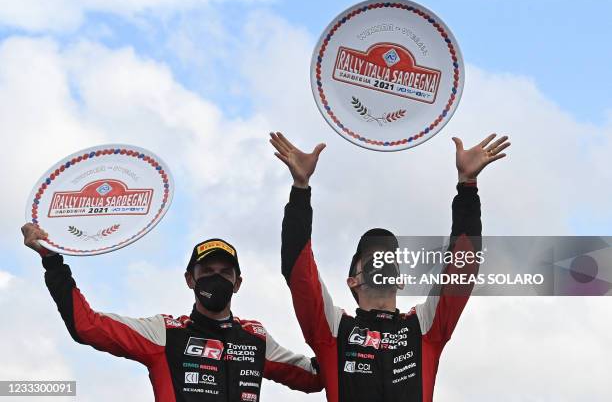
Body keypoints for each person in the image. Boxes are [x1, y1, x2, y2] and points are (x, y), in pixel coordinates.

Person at [270, 131, 510, 402]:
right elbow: (299, 271)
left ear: (400, 279)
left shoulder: (425, 326)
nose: (381, 260)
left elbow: (462, 267)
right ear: (352, 280)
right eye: (372, 256)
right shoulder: (333, 329)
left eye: (388, 256)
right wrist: (300, 190)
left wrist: (467, 185)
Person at [20, 227, 323, 402]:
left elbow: (313, 377)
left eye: (224, 273)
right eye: (206, 272)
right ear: (190, 279)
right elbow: (87, 326)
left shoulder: (255, 337)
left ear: (238, 283)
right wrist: (52, 261)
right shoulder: (165, 332)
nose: (215, 279)